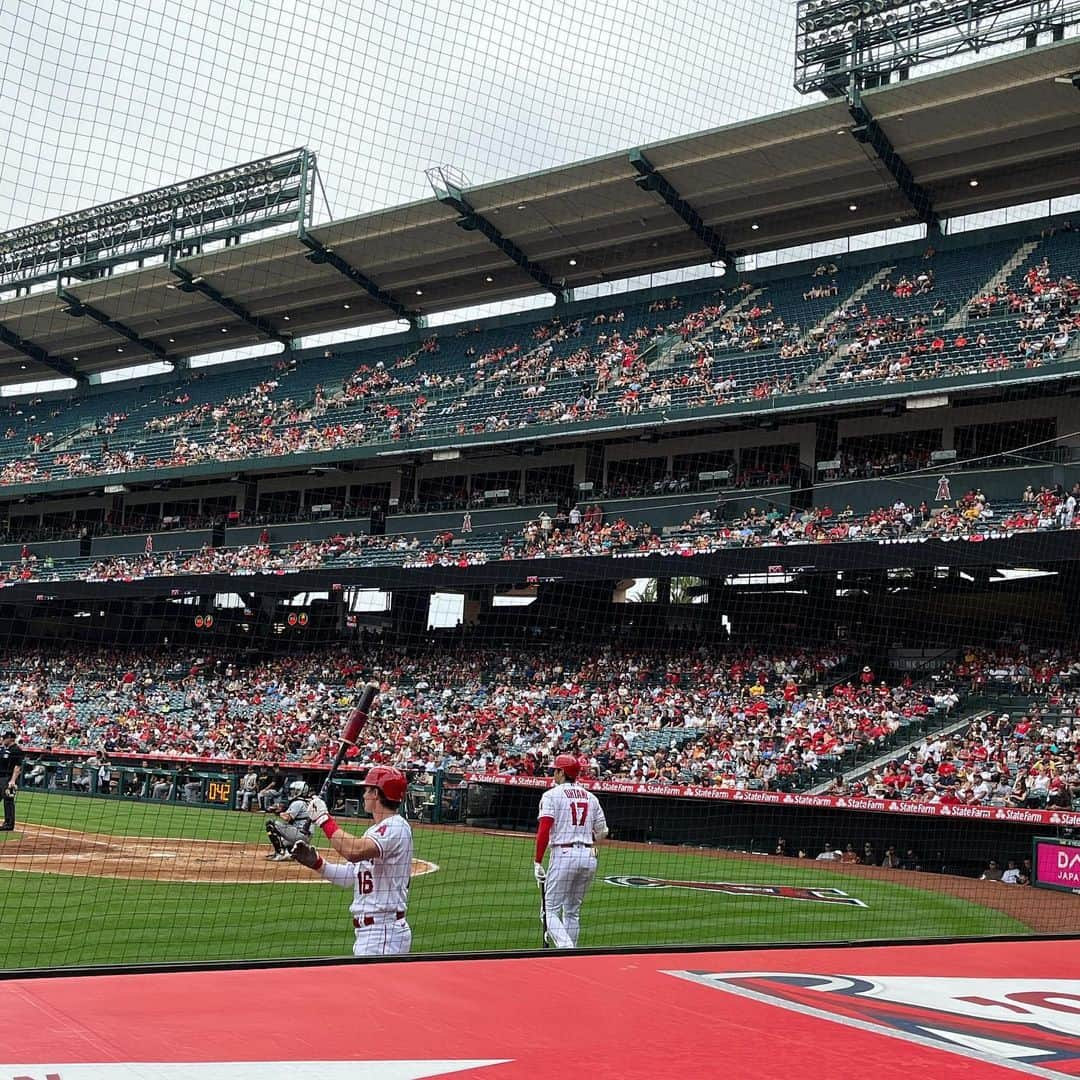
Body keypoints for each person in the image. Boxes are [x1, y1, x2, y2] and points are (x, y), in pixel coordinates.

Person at [297, 767, 413, 956]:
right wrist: (318, 863)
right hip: (372, 932)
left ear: (376, 793)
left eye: (367, 790)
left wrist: (324, 820)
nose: (364, 795)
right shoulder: (375, 831)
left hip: (383, 931)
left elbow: (353, 851)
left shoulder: (396, 827)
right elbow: (350, 877)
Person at [533, 752, 608, 949]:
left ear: (562, 772)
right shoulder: (591, 797)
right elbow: (603, 831)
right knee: (572, 911)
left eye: (555, 770)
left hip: (564, 855)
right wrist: (587, 840)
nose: (553, 774)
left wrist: (538, 861)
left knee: (548, 910)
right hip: (589, 856)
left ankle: (567, 948)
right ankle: (572, 954)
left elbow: (544, 828)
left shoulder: (551, 795)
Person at [264, 780, 314, 861]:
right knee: (283, 842)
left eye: (295, 791)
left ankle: (281, 853)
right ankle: (291, 853)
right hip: (305, 835)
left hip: (299, 834)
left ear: (300, 791)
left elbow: (287, 818)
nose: (292, 793)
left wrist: (277, 812)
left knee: (270, 823)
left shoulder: (298, 802)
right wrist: (279, 810)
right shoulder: (308, 802)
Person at [0, 730, 23, 830]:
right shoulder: (4, 749)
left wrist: (13, 780)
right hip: (1, 778)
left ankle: (9, 824)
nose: (3, 739)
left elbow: (17, 767)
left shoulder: (16, 750)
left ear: (10, 738)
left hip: (8, 778)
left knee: (8, 800)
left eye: (5, 738)